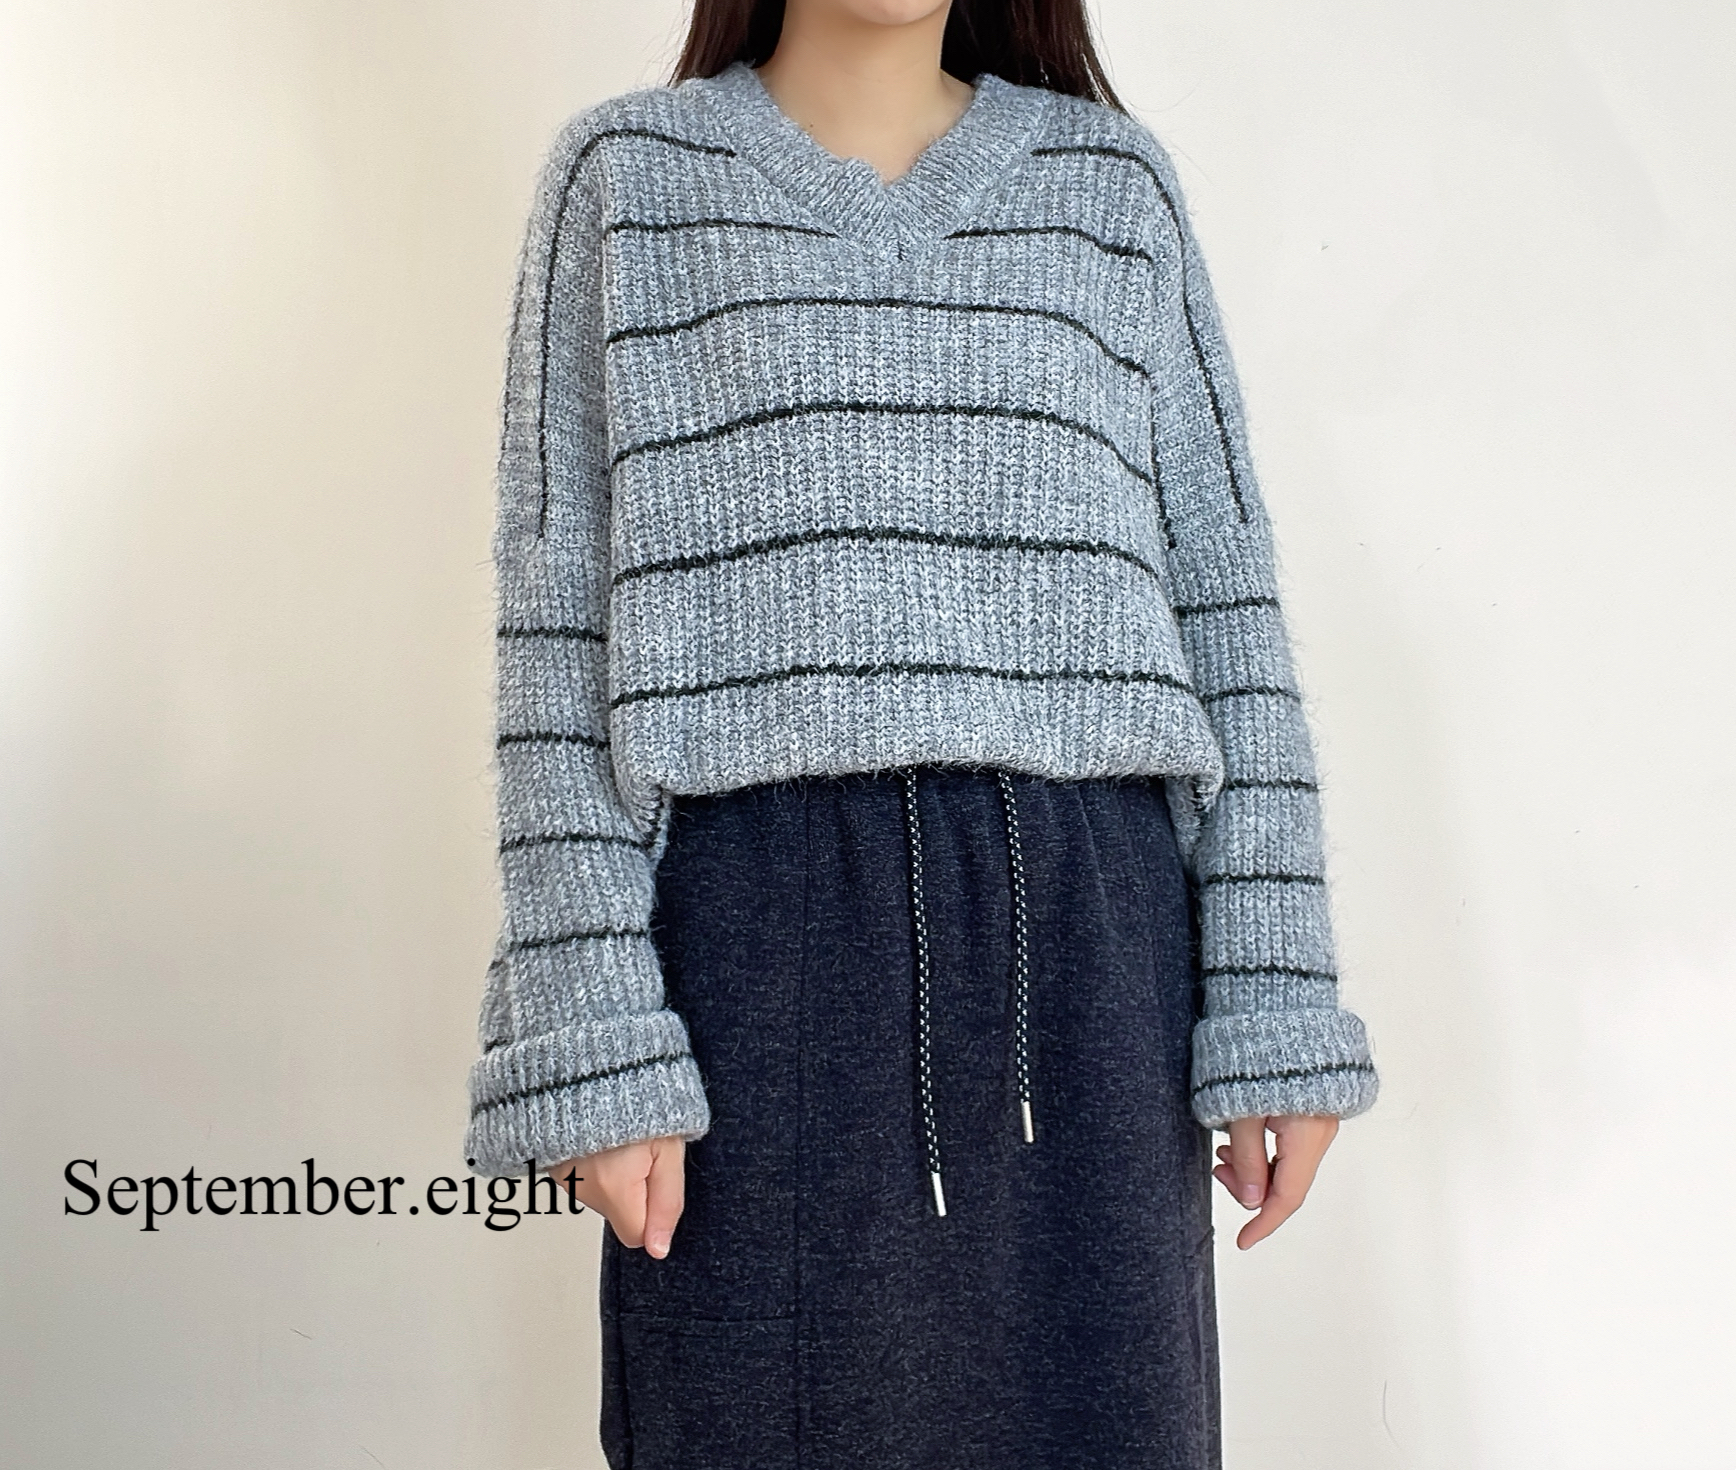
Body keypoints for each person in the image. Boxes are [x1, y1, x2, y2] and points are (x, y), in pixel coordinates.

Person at [464, 1, 1379, 1465]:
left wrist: (1277, 1000)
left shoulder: (1111, 189)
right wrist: (591, 1026)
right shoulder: (625, 181)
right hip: (754, 966)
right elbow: (557, 639)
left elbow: (1228, 610)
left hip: (1090, 962)